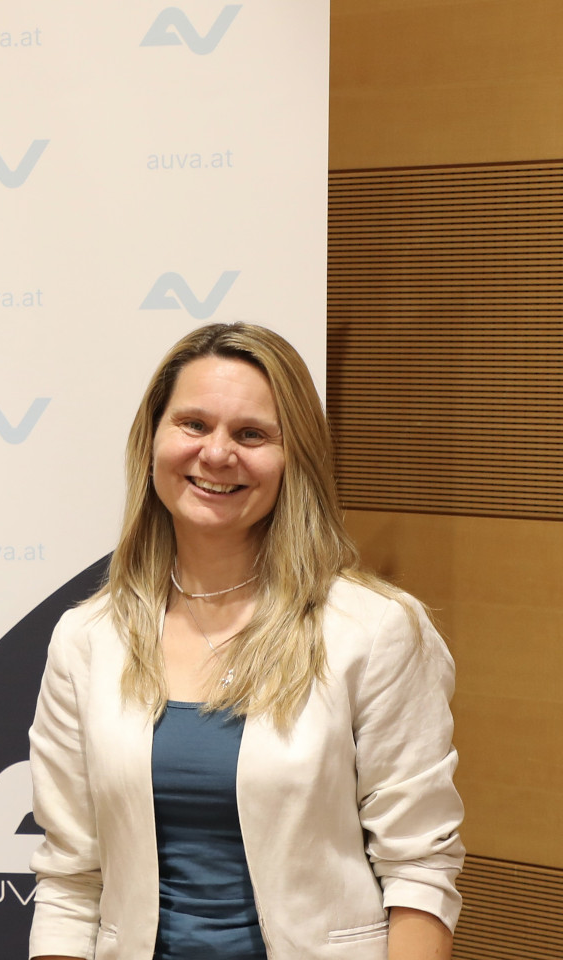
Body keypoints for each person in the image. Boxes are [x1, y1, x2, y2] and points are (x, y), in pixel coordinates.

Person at [28, 323, 463, 960]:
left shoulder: (374, 631)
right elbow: (70, 882)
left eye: (252, 434)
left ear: (296, 458)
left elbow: (420, 868)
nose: (217, 454)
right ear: (153, 439)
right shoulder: (86, 640)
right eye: (193, 424)